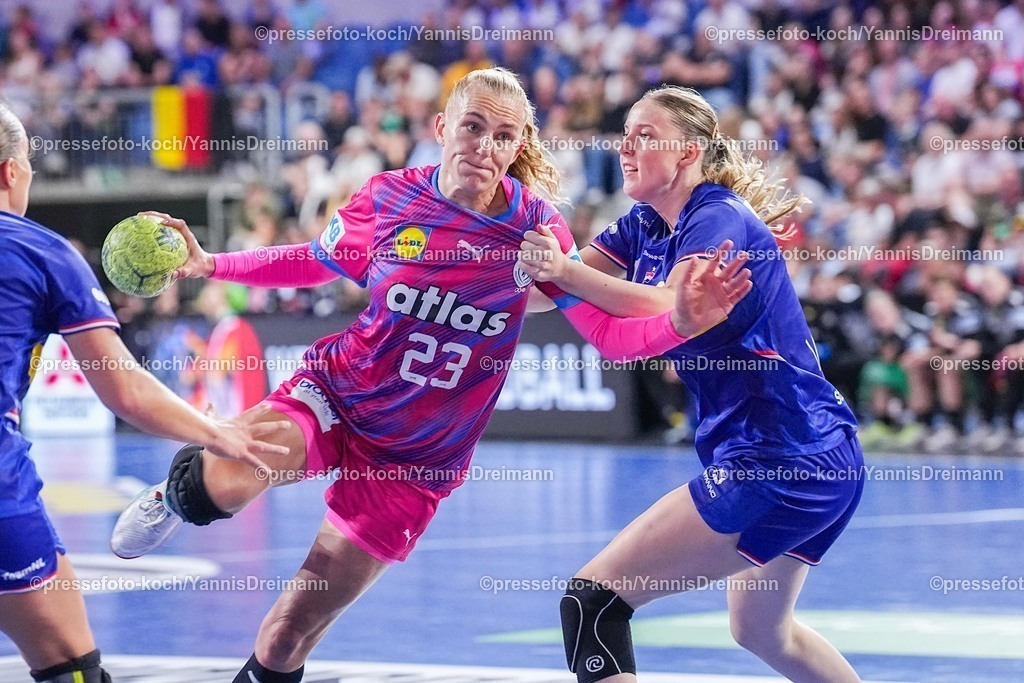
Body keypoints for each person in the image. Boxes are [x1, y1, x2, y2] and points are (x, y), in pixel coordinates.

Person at [109, 68, 752, 683]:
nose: (485, 146)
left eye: (504, 137)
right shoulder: (389, 197)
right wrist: (211, 264)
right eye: (473, 127)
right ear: (443, 127)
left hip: (416, 463)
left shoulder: (537, 228)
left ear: (518, 146)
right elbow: (314, 259)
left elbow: (607, 334)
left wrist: (681, 323)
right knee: (219, 489)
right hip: (337, 395)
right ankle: (176, 495)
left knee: (286, 636)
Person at [519, 85, 864, 683]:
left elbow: (665, 306)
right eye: (624, 135)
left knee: (593, 603)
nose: (626, 148)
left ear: (688, 153)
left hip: (779, 458)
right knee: (761, 630)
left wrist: (564, 268)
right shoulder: (645, 224)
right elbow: (547, 297)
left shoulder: (719, 216)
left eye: (644, 136)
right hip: (824, 454)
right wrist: (446, 291)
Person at [0, 103, 289, 683]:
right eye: (30, 164)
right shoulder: (44, 253)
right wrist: (217, 433)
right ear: (11, 171)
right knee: (71, 670)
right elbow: (125, 389)